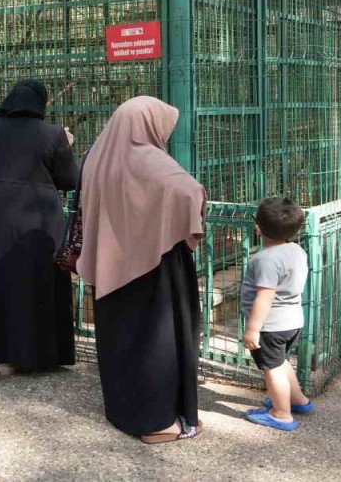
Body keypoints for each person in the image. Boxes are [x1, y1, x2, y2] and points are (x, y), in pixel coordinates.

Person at [77, 96, 205, 444]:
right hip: (155, 268)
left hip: (110, 266)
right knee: (156, 342)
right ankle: (156, 423)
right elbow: (190, 192)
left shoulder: (97, 156)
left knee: (121, 342)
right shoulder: (150, 160)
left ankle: (126, 412)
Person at [0, 81, 79, 375]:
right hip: (34, 216)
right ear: (41, 103)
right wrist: (68, 145)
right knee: (31, 282)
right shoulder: (52, 133)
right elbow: (69, 179)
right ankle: (21, 357)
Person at [241, 197, 314, 432]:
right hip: (292, 321)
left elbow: (265, 296)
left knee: (271, 369)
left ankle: (281, 413)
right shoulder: (296, 250)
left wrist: (253, 328)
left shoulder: (265, 259)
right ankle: (298, 400)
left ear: (258, 228)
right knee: (280, 363)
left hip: (270, 326)